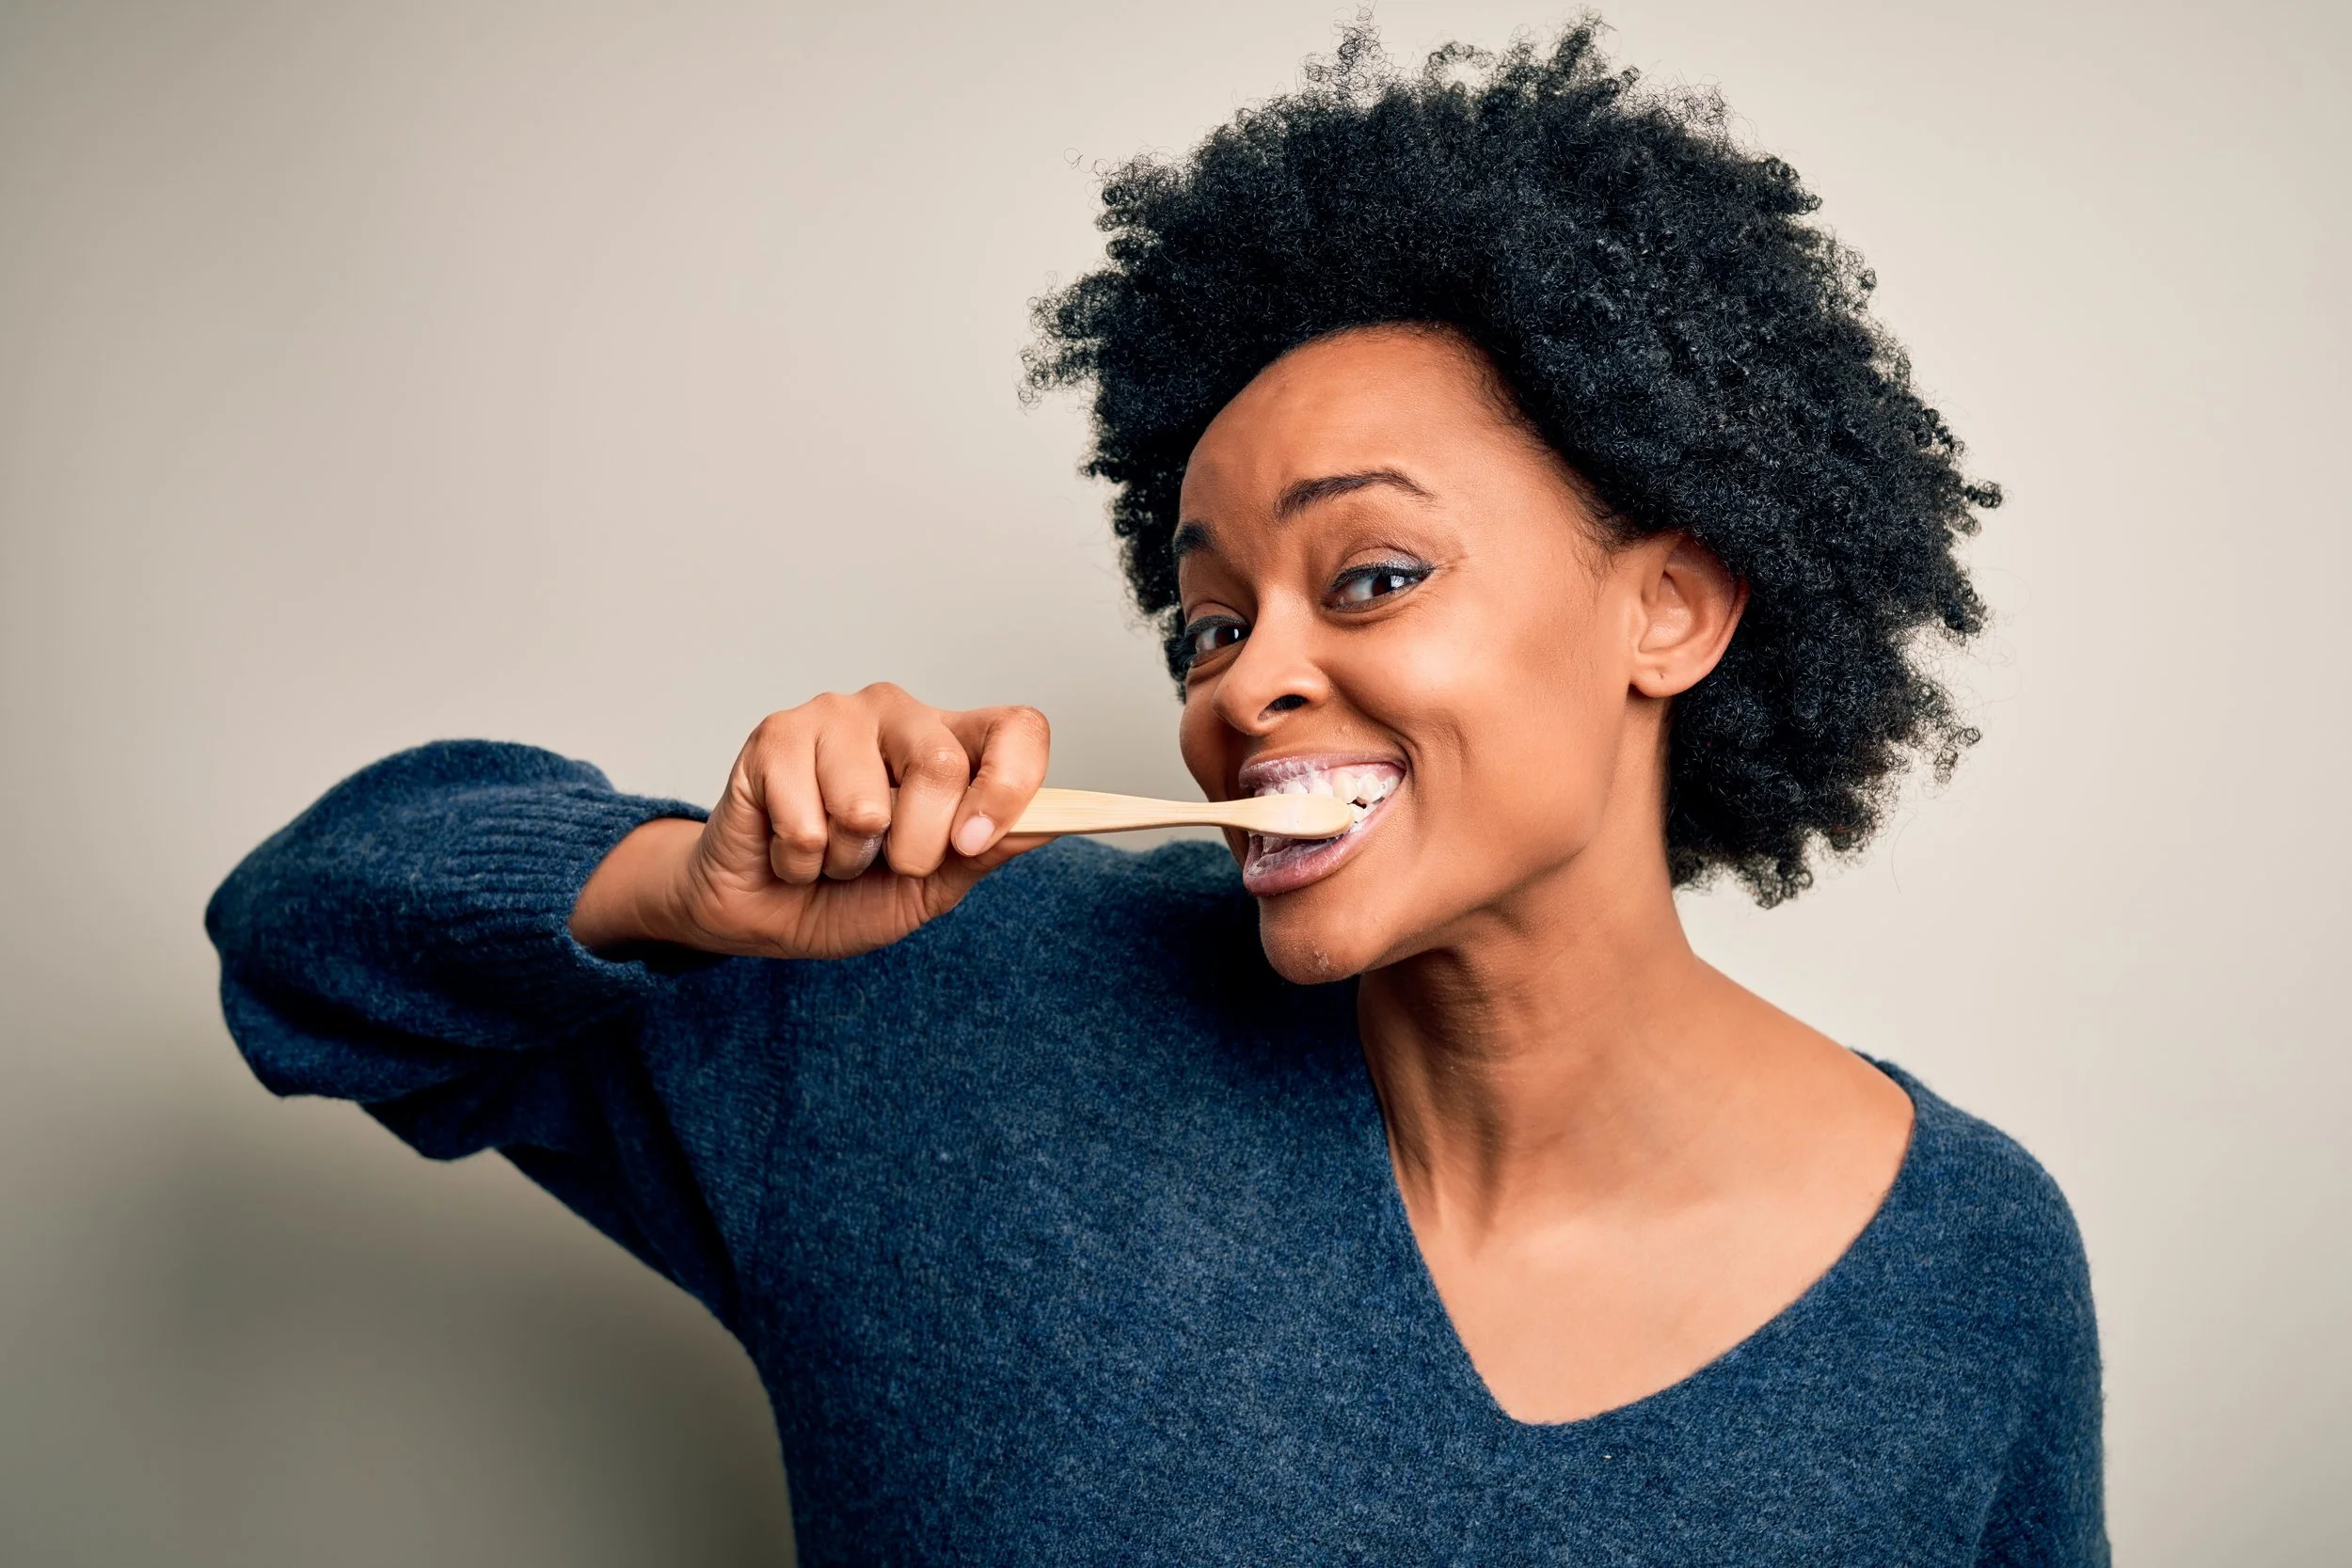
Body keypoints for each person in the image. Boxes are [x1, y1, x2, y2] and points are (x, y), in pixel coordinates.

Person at [207, 23, 2106, 1565]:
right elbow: (302, 938)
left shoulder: (1968, 1273)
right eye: (1206, 624)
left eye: (1371, 574)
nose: (1242, 685)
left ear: (1668, 607)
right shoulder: (930, 1017)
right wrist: (672, 886)